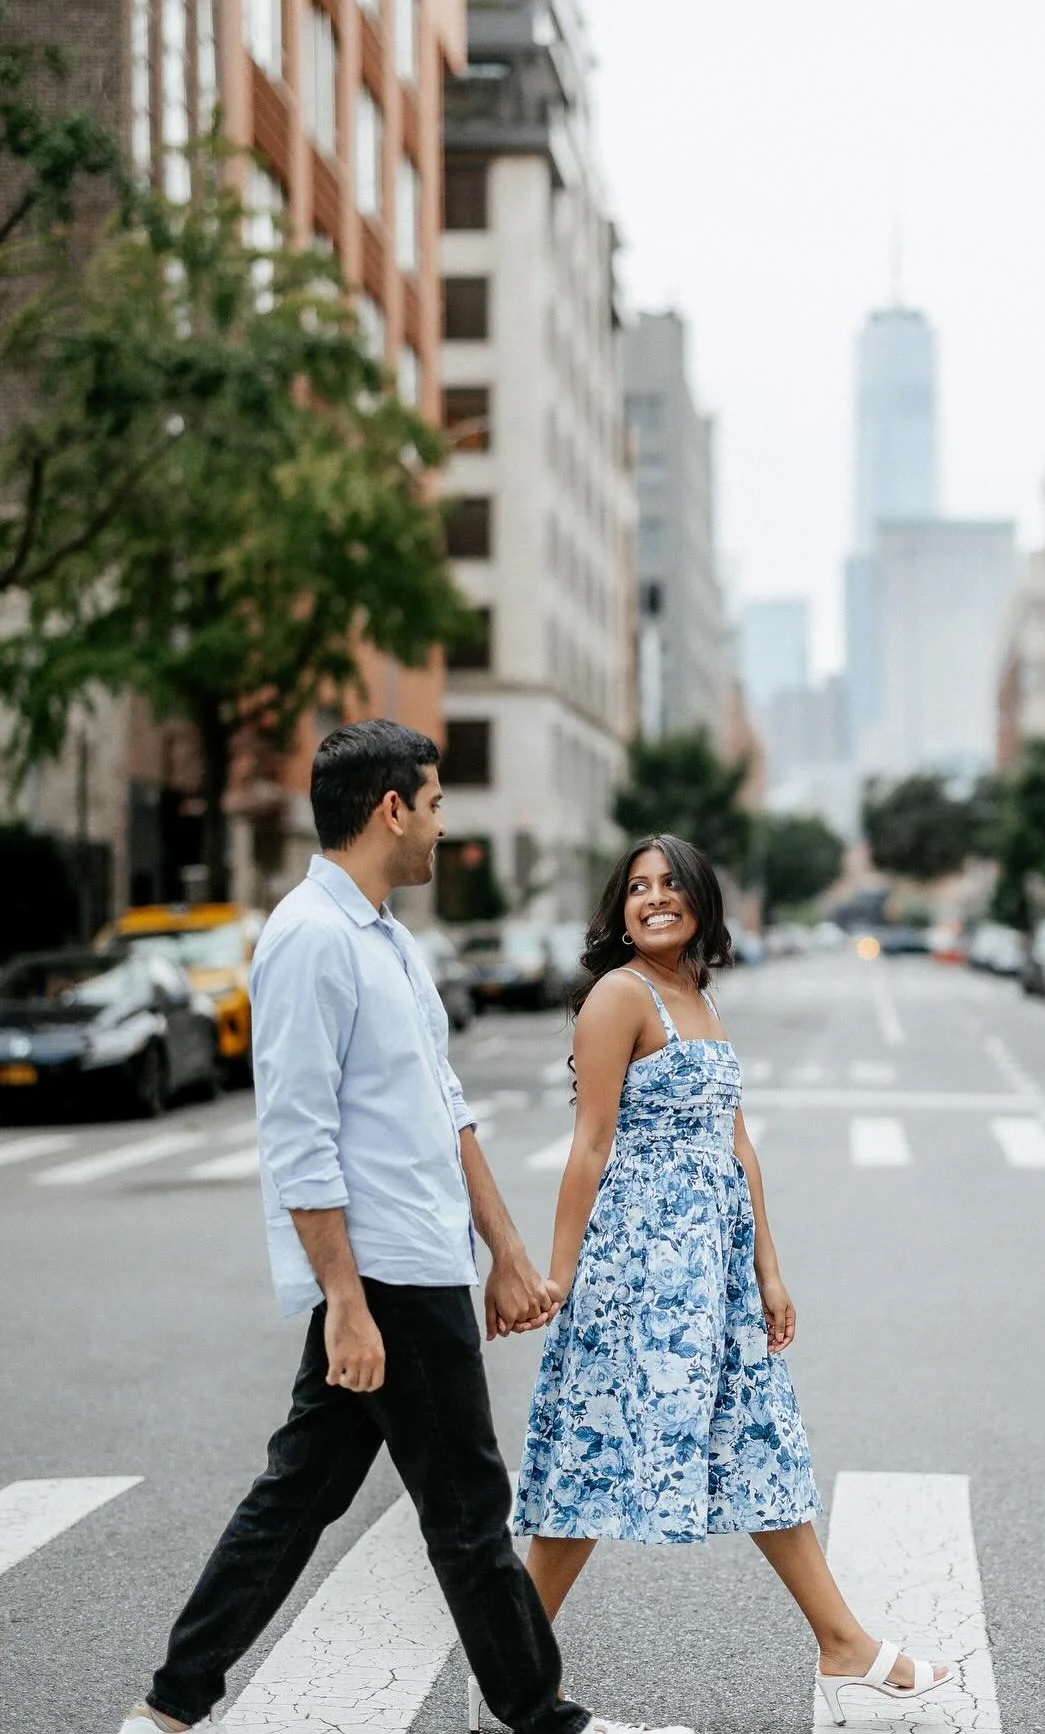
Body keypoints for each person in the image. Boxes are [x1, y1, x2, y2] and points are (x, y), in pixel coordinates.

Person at [117, 721, 692, 1734]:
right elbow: (297, 1139)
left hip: (418, 1257)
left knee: (300, 1497)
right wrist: (344, 1300)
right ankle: (543, 1717)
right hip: (385, 1271)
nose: (441, 824)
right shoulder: (310, 938)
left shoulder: (390, 941)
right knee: (468, 1509)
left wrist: (507, 1253)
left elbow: (447, 1109)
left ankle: (167, 1709)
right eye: (433, 804)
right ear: (391, 810)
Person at [506, 833, 953, 1729]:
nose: (655, 898)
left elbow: (736, 1143)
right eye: (638, 888)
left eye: (672, 884)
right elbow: (589, 1144)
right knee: (591, 1464)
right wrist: (562, 1273)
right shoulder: (618, 996)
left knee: (759, 1446)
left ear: (703, 902)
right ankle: (511, 1673)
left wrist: (769, 1273)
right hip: (639, 1268)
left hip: (711, 1271)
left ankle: (842, 1646)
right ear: (618, 908)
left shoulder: (697, 996)